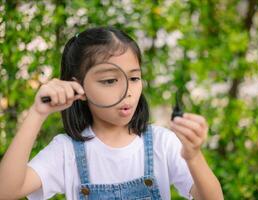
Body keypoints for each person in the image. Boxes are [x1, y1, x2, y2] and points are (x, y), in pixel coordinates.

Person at [0, 26, 223, 200]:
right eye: (109, 80)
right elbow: (6, 191)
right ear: (80, 88)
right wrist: (37, 113)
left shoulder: (162, 143)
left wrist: (193, 156)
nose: (127, 92)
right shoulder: (66, 151)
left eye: (134, 78)